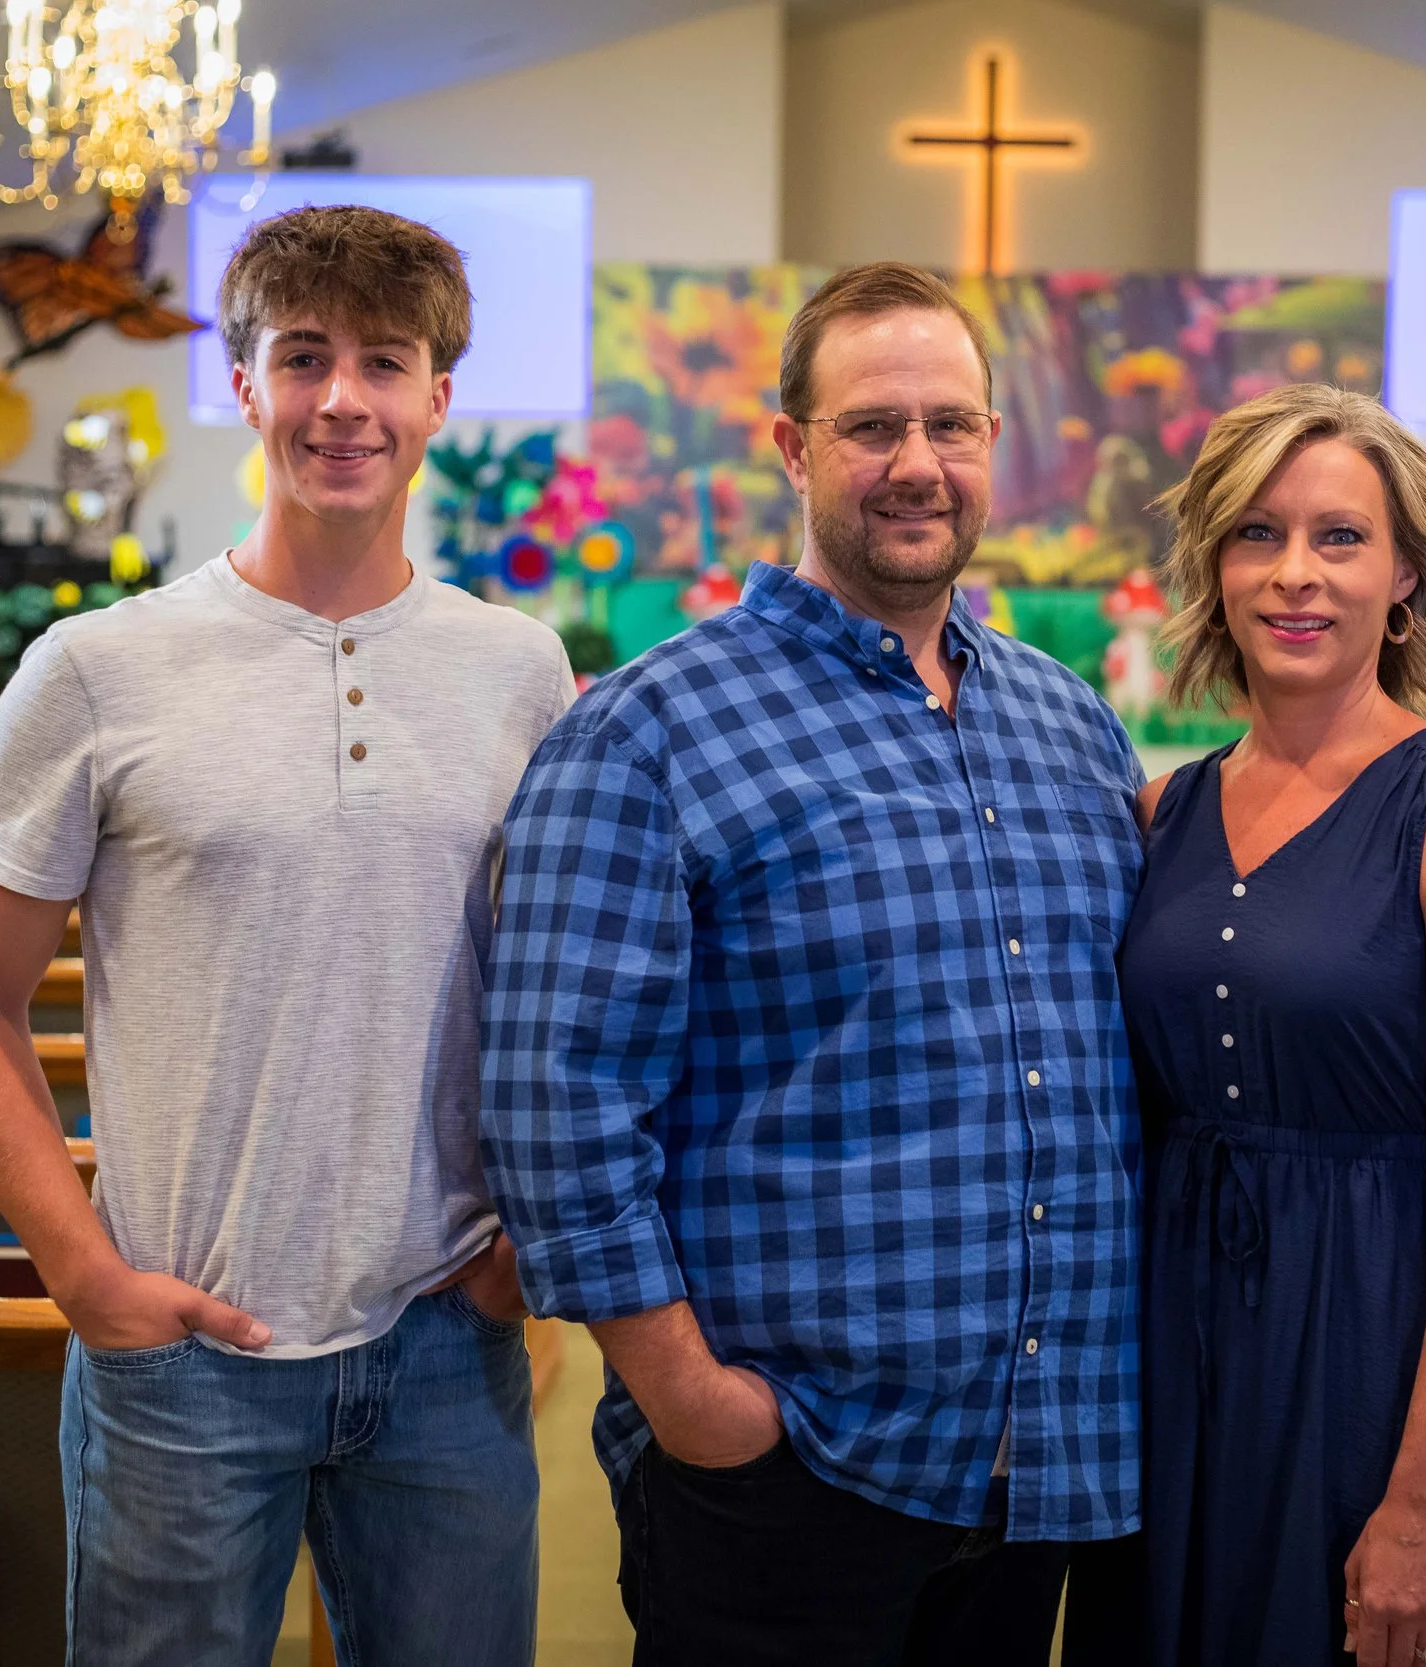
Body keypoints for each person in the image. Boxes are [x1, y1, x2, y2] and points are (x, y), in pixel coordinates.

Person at [0, 205, 571, 1666]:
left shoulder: (523, 672)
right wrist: (87, 1277)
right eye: (304, 356)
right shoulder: (95, 668)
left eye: (385, 362)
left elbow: (567, 995)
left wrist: (530, 1240)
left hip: (443, 1336)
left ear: (438, 398)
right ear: (245, 385)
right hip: (184, 1354)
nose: (344, 398)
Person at [480, 261, 1145, 1667]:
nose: (919, 464)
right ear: (792, 446)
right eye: (872, 426)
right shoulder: (651, 730)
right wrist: (692, 1400)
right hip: (791, 1467)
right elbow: (557, 1100)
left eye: (952, 425)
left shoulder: (1067, 722)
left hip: (1034, 1461)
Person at [1121, 383, 1426, 1667]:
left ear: (1406, 581)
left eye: (1339, 537)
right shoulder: (1165, 809)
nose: (1293, 575)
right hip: (1177, 1350)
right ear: (1213, 570)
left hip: (1375, 1348)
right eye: (1256, 534)